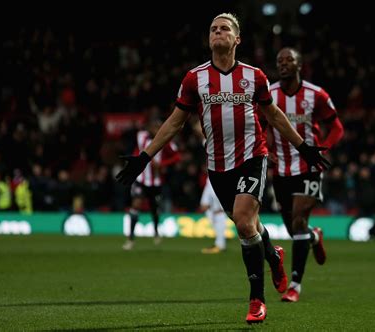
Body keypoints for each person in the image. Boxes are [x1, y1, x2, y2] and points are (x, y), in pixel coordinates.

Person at [115, 13, 330, 324]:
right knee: (250, 227)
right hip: (218, 167)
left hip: (253, 158)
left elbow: (275, 116)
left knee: (244, 222)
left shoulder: (254, 76)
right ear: (209, 39)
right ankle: (273, 255)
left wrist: (303, 147)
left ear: (236, 39)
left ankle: (256, 300)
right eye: (213, 29)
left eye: (224, 28)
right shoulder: (194, 79)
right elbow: (175, 122)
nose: (218, 32)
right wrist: (144, 157)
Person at [268, 47, 344, 302]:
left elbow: (336, 126)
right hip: (281, 169)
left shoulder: (316, 95)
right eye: (279, 61)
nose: (283, 64)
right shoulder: (269, 94)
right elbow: (257, 124)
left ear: (300, 64)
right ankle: (314, 236)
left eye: (289, 59)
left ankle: (295, 286)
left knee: (299, 220)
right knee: (294, 229)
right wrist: (266, 149)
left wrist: (325, 148)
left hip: (309, 167)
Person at [122, 119, 180, 250]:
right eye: (154, 126)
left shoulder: (165, 140)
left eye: (158, 126)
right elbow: (136, 150)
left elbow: (177, 157)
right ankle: (130, 239)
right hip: (141, 179)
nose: (156, 129)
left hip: (156, 182)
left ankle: (156, 231)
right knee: (135, 205)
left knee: (154, 209)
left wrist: (162, 165)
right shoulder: (141, 136)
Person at [199, 177, 228, 253]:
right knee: (215, 216)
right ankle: (218, 244)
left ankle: (220, 245)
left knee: (219, 215)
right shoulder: (209, 179)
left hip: (219, 209)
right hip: (213, 210)